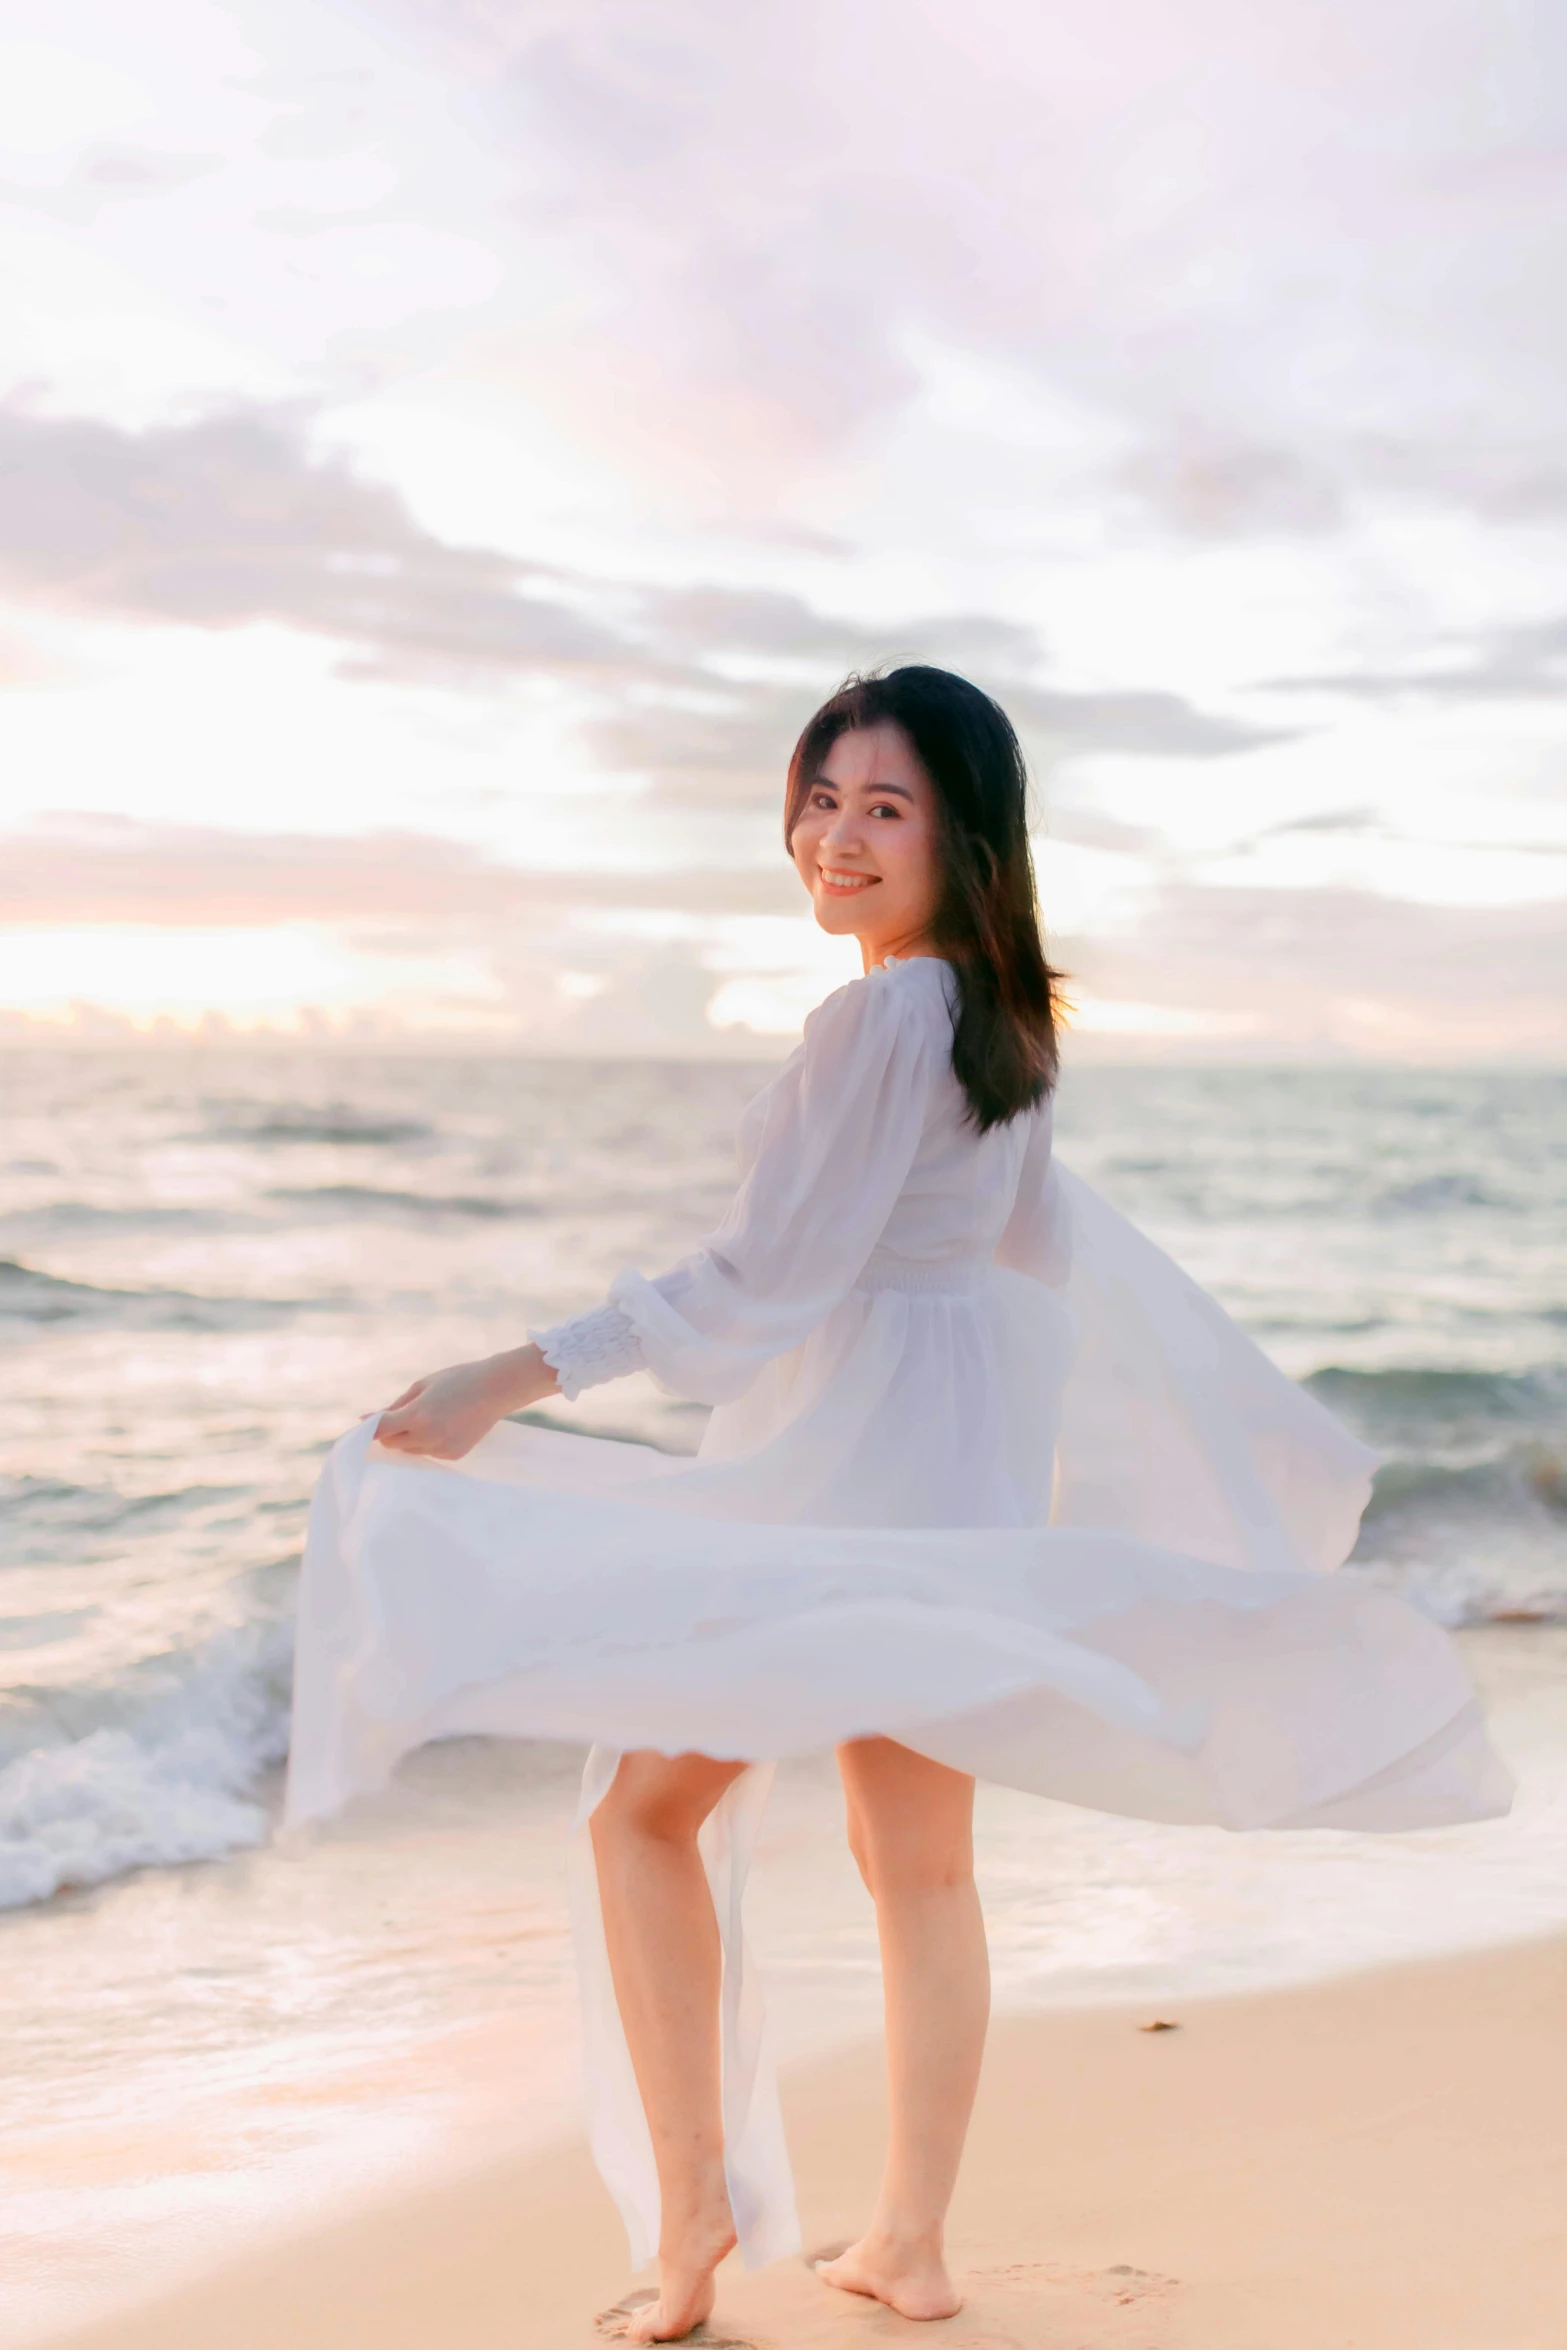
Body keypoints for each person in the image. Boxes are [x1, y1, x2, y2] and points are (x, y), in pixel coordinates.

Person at [286, 666, 1510, 2345]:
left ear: (965, 838)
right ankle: (906, 2243)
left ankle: (699, 2208)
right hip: (939, 1469)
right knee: (911, 1862)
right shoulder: (999, 1016)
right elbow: (1022, 1265)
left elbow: (765, 1276)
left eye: (884, 808)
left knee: (640, 1814)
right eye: (820, 798)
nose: (835, 837)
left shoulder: (880, 1014)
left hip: (856, 1468)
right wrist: (1019, 1486)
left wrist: (510, 1372)